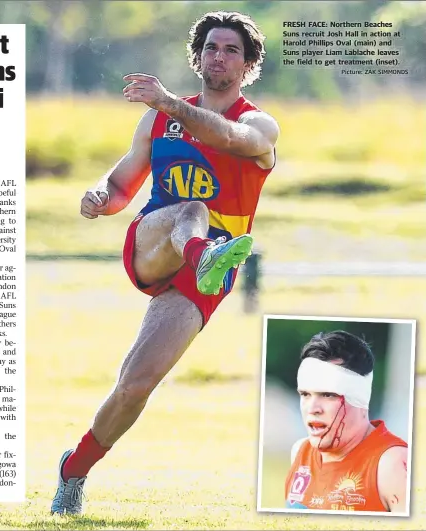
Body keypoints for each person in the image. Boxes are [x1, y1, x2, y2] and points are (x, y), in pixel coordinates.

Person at [51, 10, 279, 515]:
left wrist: (169, 100)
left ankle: (74, 469)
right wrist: (97, 197)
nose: (219, 56)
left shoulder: (258, 122)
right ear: (198, 56)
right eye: (211, 47)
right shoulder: (159, 118)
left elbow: (231, 140)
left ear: (248, 66)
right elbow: (118, 186)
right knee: (192, 211)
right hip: (156, 244)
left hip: (206, 275)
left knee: (135, 386)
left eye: (231, 50)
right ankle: (204, 255)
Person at [285, 331, 409, 514]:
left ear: (359, 399)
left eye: (328, 395)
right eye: (305, 394)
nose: (312, 408)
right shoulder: (300, 451)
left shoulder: (392, 464)